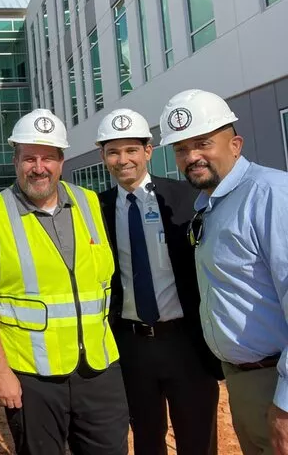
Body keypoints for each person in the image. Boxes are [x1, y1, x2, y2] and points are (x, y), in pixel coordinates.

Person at [0, 108, 129, 455]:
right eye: (29, 158)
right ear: (15, 160)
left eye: (48, 158)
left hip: (99, 369)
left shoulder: (90, 203)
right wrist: (0, 372)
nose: (39, 167)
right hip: (32, 377)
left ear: (62, 161)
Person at [160, 89, 288, 455]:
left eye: (202, 143)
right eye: (182, 149)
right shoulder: (212, 204)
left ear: (235, 144)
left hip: (276, 381)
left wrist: (285, 404)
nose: (191, 157)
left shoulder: (270, 195)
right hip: (246, 381)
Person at [96, 108, 221, 455]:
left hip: (187, 343)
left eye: (132, 150)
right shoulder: (97, 208)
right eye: (113, 151)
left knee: (198, 440)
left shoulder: (184, 198)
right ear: (103, 156)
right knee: (148, 440)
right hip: (132, 346)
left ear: (148, 151)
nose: (123, 160)